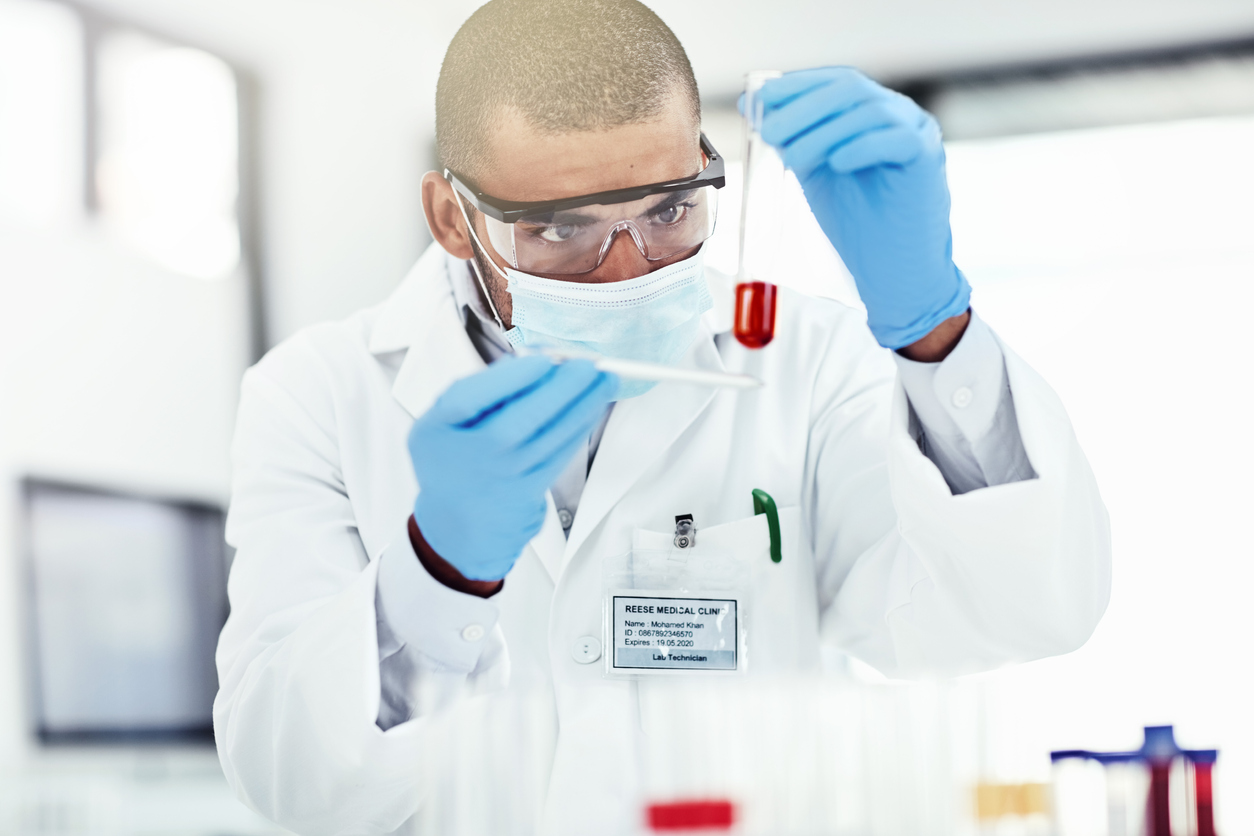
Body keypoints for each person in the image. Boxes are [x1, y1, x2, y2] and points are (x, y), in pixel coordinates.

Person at [213, 0, 1111, 833]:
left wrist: (934, 333)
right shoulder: (316, 395)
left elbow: (1019, 613)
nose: (628, 270)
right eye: (561, 229)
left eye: (671, 210)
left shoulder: (806, 359)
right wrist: (436, 571)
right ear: (454, 219)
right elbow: (290, 779)